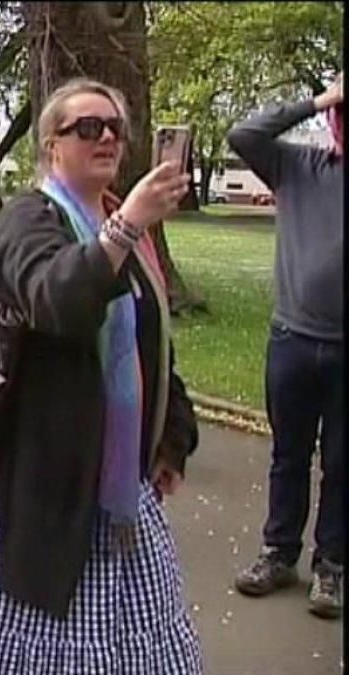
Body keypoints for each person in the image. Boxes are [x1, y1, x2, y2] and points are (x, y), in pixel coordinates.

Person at [0, 78, 201, 673]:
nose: (107, 135)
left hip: (122, 497)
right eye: (87, 126)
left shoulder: (118, 225)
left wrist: (171, 438)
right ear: (52, 145)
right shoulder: (27, 219)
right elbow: (59, 303)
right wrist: (130, 223)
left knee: (143, 653)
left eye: (115, 126)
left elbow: (148, 339)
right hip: (42, 496)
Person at [230, 74, 343, 619]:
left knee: (342, 462)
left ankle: (332, 567)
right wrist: (320, 99)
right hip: (293, 338)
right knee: (288, 455)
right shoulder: (297, 166)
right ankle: (279, 553)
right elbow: (243, 134)